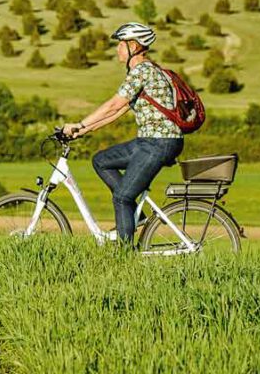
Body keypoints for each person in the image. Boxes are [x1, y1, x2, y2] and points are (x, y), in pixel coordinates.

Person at [62, 22, 184, 245]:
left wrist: (79, 123)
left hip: (158, 143)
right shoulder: (147, 71)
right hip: (150, 141)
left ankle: (124, 255)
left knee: (122, 197)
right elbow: (117, 112)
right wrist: (82, 131)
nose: (117, 49)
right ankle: (134, 216)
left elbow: (113, 104)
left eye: (121, 44)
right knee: (101, 160)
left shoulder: (143, 71)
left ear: (134, 46)